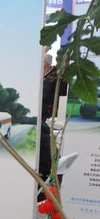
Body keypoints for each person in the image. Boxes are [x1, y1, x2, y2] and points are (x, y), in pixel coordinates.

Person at [39, 53, 66, 191]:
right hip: (40, 112)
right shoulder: (38, 73)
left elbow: (59, 90)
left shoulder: (55, 74)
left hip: (48, 109)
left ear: (47, 62)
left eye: (42, 61)